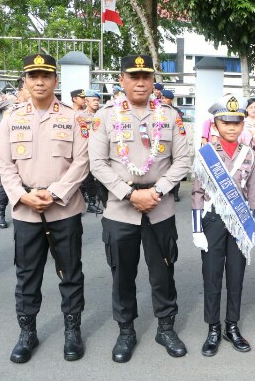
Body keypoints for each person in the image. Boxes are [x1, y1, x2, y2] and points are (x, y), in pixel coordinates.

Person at [89, 54, 191, 362]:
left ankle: (166, 327)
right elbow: (98, 163)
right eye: (133, 76)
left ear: (152, 80)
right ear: (122, 80)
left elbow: (183, 161)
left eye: (146, 76)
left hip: (160, 207)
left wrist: (156, 191)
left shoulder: (170, 115)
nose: (140, 81)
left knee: (163, 271)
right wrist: (129, 194)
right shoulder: (106, 116)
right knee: (123, 273)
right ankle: (126, 331)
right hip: (121, 208)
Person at [0, 54, 89, 363]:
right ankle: (27, 333)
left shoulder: (73, 118)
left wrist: (55, 192)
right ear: (25, 80)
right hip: (26, 211)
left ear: (55, 81)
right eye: (33, 76)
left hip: (64, 209)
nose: (39, 81)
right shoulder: (12, 118)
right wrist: (22, 196)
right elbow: (4, 165)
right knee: (27, 275)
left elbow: (82, 161)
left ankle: (72, 331)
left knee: (71, 273)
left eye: (45, 76)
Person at [191, 95, 255, 357]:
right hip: (213, 219)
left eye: (236, 122)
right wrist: (197, 229)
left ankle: (232, 326)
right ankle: (213, 328)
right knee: (212, 275)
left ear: (243, 125)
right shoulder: (205, 154)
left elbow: (252, 193)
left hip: (240, 220)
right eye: (225, 123)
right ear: (215, 125)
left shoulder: (250, 154)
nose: (231, 127)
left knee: (236, 275)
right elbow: (196, 192)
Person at [0, 77, 31, 229]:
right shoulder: (10, 99)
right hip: (8, 145)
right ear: (21, 88)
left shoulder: (36, 103)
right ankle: (0, 212)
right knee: (7, 178)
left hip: (27, 144)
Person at [161, 90, 184, 202]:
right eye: (162, 98)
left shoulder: (176, 112)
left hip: (173, 144)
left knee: (175, 169)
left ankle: (175, 193)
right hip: (160, 144)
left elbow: (180, 129)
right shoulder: (156, 111)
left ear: (171, 100)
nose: (163, 100)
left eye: (166, 98)